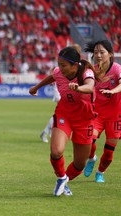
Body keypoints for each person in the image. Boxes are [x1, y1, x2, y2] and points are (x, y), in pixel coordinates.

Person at [29, 46, 97, 196]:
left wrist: (78, 88)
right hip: (64, 115)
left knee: (80, 164)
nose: (59, 68)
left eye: (63, 65)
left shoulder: (86, 72)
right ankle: (61, 177)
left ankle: (66, 179)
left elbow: (90, 87)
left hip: (84, 119)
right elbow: (52, 77)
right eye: (58, 64)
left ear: (74, 65)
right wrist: (36, 87)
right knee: (56, 151)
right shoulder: (59, 72)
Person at [83, 40, 121, 182]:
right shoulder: (93, 70)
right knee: (88, 142)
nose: (98, 55)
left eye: (102, 52)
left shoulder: (117, 69)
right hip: (97, 115)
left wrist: (113, 91)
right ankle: (92, 159)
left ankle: (100, 172)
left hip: (115, 116)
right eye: (96, 52)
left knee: (109, 152)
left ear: (110, 54)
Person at [40, 44, 82, 143]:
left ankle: (48, 131)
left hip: (66, 92)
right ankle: (47, 131)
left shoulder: (75, 65)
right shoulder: (64, 63)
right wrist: (53, 80)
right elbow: (53, 72)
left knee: (61, 113)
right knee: (62, 111)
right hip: (60, 92)